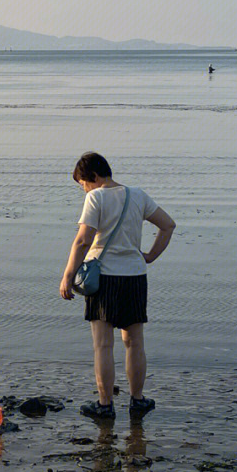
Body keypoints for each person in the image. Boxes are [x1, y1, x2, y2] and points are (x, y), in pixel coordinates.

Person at [60, 152, 175, 420]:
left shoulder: (96, 197)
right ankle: (137, 401)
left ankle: (105, 404)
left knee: (103, 345)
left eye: (83, 184)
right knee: (134, 342)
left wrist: (67, 276)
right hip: (135, 276)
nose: (84, 190)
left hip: (105, 278)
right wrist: (149, 256)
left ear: (94, 177)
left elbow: (82, 241)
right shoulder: (138, 195)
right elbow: (168, 225)